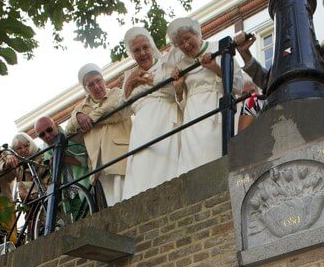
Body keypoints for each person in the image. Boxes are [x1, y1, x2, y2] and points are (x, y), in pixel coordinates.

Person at [167, 17, 244, 175]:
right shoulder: (180, 66)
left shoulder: (219, 48)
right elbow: (182, 104)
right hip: (192, 117)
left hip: (216, 110)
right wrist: (179, 88)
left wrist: (215, 67)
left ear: (197, 34)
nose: (186, 45)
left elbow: (238, 86)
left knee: (215, 154)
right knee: (192, 162)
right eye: (180, 43)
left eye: (188, 39)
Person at [121, 26, 180, 199]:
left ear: (151, 46)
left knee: (164, 166)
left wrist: (148, 79)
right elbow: (123, 111)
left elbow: (174, 89)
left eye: (145, 47)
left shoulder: (166, 63)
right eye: (136, 50)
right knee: (142, 166)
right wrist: (129, 85)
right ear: (132, 54)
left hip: (163, 117)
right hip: (140, 126)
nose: (142, 53)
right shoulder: (129, 75)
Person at [66, 64, 132, 207]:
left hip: (121, 153)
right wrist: (78, 117)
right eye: (91, 84)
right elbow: (68, 131)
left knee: (129, 195)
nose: (96, 86)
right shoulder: (80, 108)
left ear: (103, 80)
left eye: (98, 81)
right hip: (98, 163)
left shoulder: (116, 92)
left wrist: (89, 119)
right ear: (86, 88)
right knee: (113, 203)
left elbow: (113, 111)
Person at [11, 132, 50, 203]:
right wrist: (9, 155)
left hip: (48, 195)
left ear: (31, 144)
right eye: (19, 148)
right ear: (15, 151)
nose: (23, 150)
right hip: (33, 205)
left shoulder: (43, 156)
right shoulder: (18, 166)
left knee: (20, 185)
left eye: (26, 146)